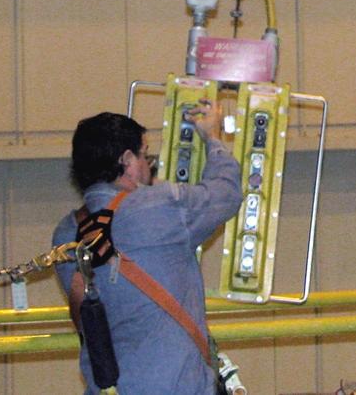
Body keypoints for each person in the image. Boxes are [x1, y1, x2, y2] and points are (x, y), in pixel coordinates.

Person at [53, 106, 242, 395]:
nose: (149, 164)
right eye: (145, 154)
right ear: (127, 161)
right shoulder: (160, 207)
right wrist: (213, 138)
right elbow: (225, 194)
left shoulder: (66, 234)